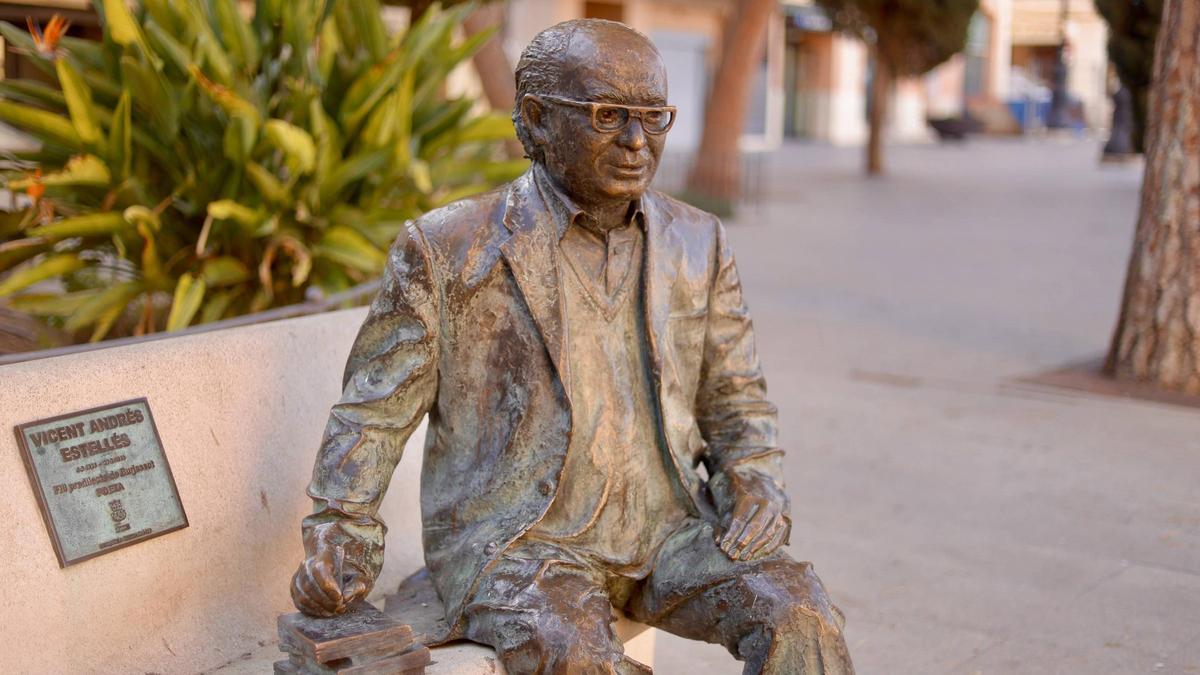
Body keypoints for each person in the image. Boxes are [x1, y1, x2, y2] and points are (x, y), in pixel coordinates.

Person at [290, 18, 854, 675]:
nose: (637, 141)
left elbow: (736, 397)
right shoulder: (449, 248)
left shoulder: (698, 242)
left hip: (670, 530)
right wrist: (340, 538)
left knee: (799, 609)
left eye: (654, 116)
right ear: (536, 119)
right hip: (520, 543)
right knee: (577, 653)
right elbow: (374, 412)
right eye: (608, 114)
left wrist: (757, 484)